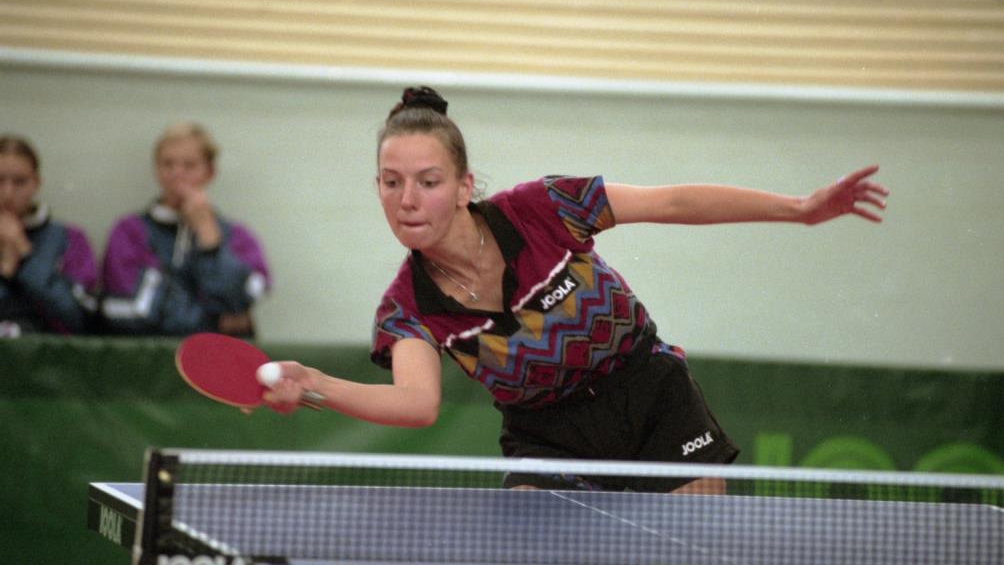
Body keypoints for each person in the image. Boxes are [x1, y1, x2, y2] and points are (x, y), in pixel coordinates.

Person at [262, 87, 889, 492]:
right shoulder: (408, 310)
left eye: (428, 181)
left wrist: (799, 209)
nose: (407, 200)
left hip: (650, 396)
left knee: (699, 550)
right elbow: (416, 403)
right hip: (547, 437)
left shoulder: (543, 208)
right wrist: (314, 383)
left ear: (463, 186)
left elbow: (671, 203)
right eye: (390, 182)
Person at [101, 122, 270, 337]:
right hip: (151, 351)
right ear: (157, 169)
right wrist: (215, 322)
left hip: (217, 354)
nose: (176, 173)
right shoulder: (129, 232)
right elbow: (131, 307)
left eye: (189, 165)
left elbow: (240, 300)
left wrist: (209, 237)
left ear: (210, 172)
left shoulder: (238, 237)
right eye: (167, 164)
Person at [0, 134, 99, 336]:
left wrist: (25, 255)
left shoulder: (70, 239)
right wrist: (5, 273)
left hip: (52, 353)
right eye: (0, 180)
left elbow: (81, 318)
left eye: (19, 182)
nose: (8, 193)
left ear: (36, 183)